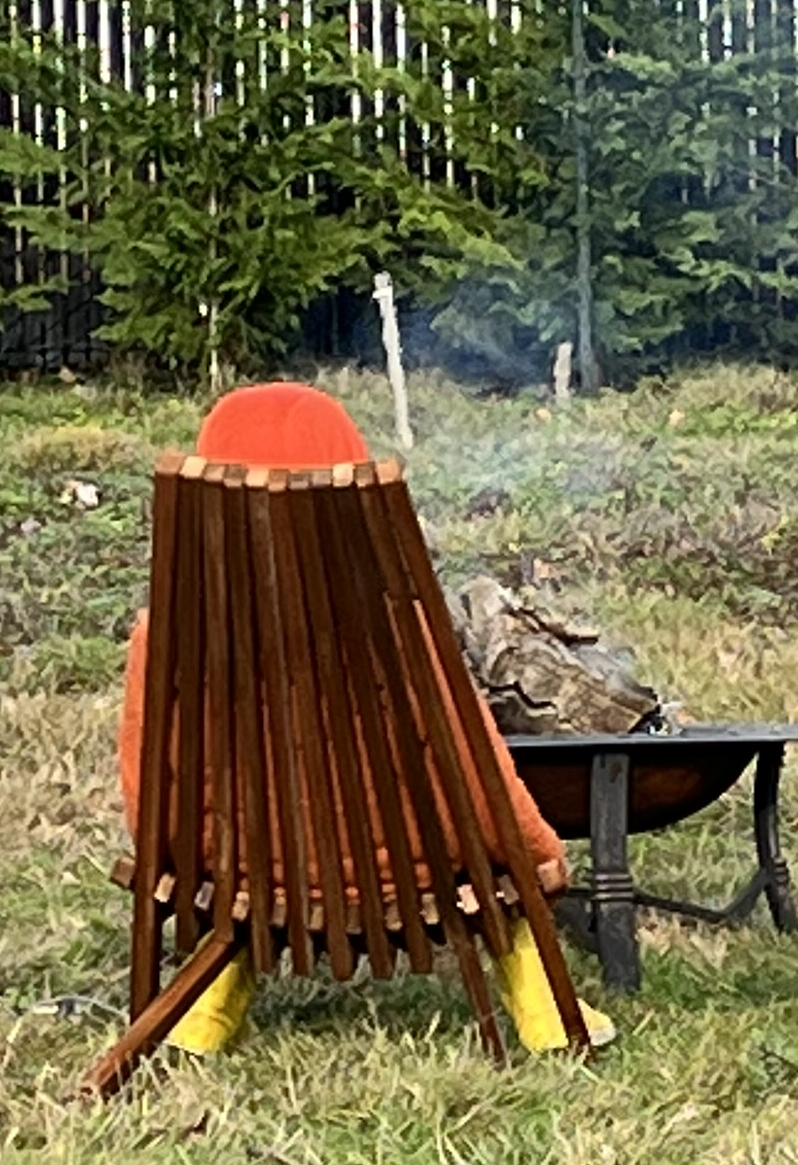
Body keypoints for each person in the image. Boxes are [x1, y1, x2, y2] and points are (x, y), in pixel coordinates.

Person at [115, 381, 614, 1053]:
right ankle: (546, 1014)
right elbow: (469, 767)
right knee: (499, 877)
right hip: (408, 872)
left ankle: (201, 1015)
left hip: (248, 870)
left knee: (245, 885)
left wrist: (191, 865)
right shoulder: (397, 628)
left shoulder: (168, 633)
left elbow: (151, 773)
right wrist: (533, 852)